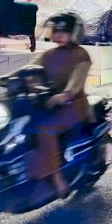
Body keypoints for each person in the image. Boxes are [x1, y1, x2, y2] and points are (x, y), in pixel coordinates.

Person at [32, 12, 92, 198]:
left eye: (63, 30)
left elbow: (76, 83)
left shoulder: (81, 54)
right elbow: (29, 70)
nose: (58, 34)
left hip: (74, 106)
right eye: (56, 30)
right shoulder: (49, 54)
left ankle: (58, 179)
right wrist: (3, 81)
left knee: (45, 130)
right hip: (50, 103)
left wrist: (64, 95)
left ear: (73, 32)